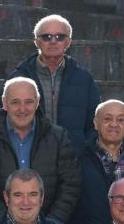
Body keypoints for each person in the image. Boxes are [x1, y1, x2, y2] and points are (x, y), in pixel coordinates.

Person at [0, 77, 80, 224]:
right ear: (4, 103)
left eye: (28, 102)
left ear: (37, 103)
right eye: (15, 102)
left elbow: (70, 186)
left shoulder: (58, 138)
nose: (22, 109)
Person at [9, 14, 101, 152]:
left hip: (72, 161)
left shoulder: (84, 79)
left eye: (60, 37)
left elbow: (95, 122)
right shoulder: (17, 78)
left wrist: (83, 151)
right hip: (28, 158)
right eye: (46, 36)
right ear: (37, 42)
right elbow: (2, 120)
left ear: (68, 42)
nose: (53, 41)